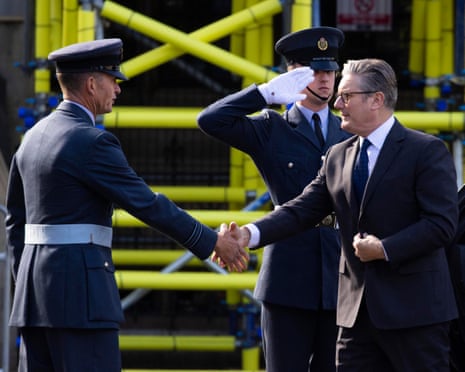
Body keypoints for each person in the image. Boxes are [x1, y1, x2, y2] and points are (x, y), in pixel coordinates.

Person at [5, 38, 249, 372]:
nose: (117, 89)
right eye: (112, 80)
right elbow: (147, 204)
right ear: (91, 84)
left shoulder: (32, 137)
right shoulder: (91, 142)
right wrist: (212, 243)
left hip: (33, 302)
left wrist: (28, 285)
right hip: (82, 300)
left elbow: (15, 223)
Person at [224, 58, 459, 371]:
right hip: (354, 318)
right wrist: (249, 234)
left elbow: (441, 225)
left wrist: (385, 249)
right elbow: (302, 209)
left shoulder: (426, 150)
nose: (336, 103)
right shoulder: (338, 155)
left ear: (376, 100)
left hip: (414, 315)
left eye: (346, 96)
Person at [198, 27, 349, 372]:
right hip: (288, 272)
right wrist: (264, 94)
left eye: (329, 71)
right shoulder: (271, 127)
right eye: (314, 72)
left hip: (340, 272)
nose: (325, 80)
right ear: (293, 75)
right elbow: (210, 120)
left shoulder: (347, 130)